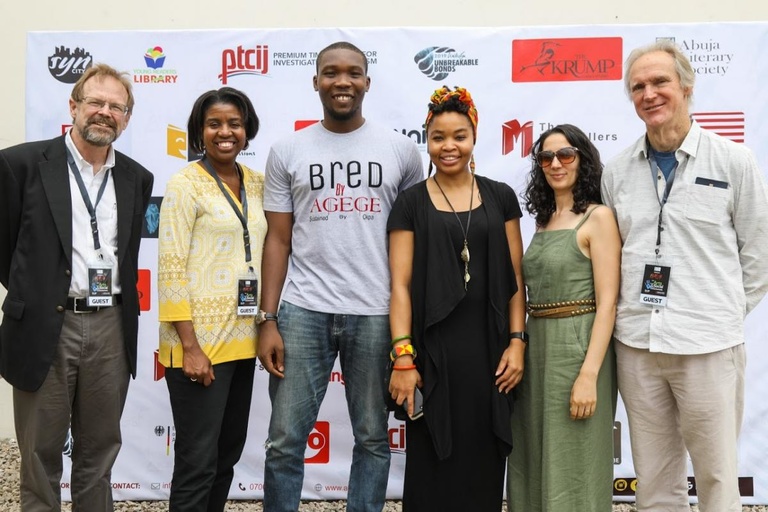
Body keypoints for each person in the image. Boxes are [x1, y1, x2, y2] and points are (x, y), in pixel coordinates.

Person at [601, 40, 768, 512]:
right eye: (638, 86)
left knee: (717, 477)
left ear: (687, 87)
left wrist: (720, 313)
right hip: (637, 345)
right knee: (653, 480)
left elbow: (759, 255)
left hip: (707, 347)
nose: (649, 94)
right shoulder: (616, 172)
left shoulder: (734, 162)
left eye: (660, 82)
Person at [257, 41, 423, 512]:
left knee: (373, 438)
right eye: (331, 72)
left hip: (375, 311)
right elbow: (278, 240)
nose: (342, 81)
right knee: (285, 440)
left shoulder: (401, 150)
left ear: (367, 83)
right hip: (302, 310)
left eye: (353, 73)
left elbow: (409, 239)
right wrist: (268, 318)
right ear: (315, 82)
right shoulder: (287, 149)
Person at [0, 63, 153, 510]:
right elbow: (7, 247)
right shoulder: (20, 164)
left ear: (126, 118)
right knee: (40, 454)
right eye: (96, 102)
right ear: (73, 106)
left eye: (116, 107)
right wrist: (41, 293)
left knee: (100, 451)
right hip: (46, 325)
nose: (105, 112)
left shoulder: (136, 178)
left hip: (110, 327)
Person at [387, 86, 526, 511]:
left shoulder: (500, 196)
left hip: (490, 355)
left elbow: (516, 281)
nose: (449, 146)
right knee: (431, 469)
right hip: (431, 358)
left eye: (459, 135)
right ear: (426, 140)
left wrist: (518, 342)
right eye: (438, 137)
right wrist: (403, 359)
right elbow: (400, 287)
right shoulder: (410, 202)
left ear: (474, 137)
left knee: (483, 468)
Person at [157, 87, 266, 512]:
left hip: (243, 342)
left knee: (226, 458)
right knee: (197, 463)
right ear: (200, 132)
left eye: (234, 123)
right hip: (197, 346)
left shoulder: (257, 183)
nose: (225, 132)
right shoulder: (184, 184)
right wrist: (190, 347)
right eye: (215, 124)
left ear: (247, 129)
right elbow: (169, 267)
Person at [506, 124, 620, 511]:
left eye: (565, 154)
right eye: (546, 157)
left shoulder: (598, 217)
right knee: (534, 454)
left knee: (576, 456)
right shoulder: (543, 221)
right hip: (537, 349)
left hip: (578, 348)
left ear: (582, 159)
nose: (555, 163)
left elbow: (607, 303)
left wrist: (588, 374)